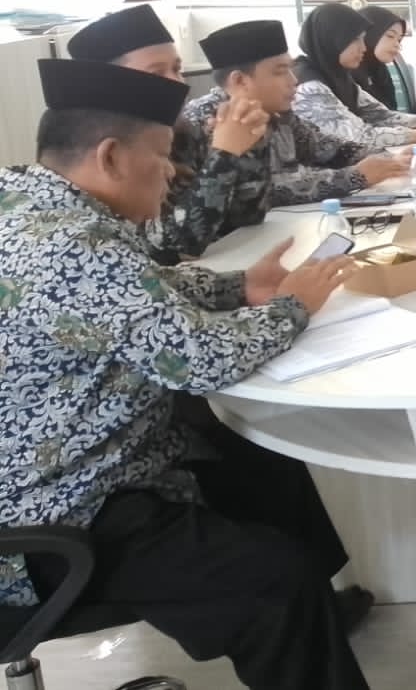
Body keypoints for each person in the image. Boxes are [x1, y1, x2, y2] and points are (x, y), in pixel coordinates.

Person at [0, 58, 370, 689]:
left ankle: (314, 620)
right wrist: (292, 307)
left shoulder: (31, 202)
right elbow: (199, 359)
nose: (172, 172)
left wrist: (241, 287)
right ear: (111, 156)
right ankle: (294, 611)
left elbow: (140, 291)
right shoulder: (70, 246)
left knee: (266, 465)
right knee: (274, 582)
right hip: (60, 512)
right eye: (162, 155)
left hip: (77, 465)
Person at [66, 4, 271, 263]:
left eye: (176, 69)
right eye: (157, 73)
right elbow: (174, 246)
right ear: (112, 83)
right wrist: (225, 154)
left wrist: (249, 143)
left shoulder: (185, 131)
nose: (177, 83)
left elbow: (247, 216)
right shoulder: (105, 152)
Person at [186, 20, 410, 206]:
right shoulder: (203, 121)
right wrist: (354, 177)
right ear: (240, 80)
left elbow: (330, 149)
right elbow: (262, 191)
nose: (293, 81)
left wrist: (389, 159)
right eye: (280, 72)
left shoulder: (280, 114)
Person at [292, 2, 416, 148]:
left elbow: (381, 115)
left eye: (363, 39)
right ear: (332, 39)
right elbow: (361, 137)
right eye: (355, 40)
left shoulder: (339, 75)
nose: (363, 47)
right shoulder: (310, 87)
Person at [357, 6, 416, 113]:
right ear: (369, 33)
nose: (397, 45)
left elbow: (389, 113)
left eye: (399, 39)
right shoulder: (350, 73)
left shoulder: (379, 69)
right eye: (390, 36)